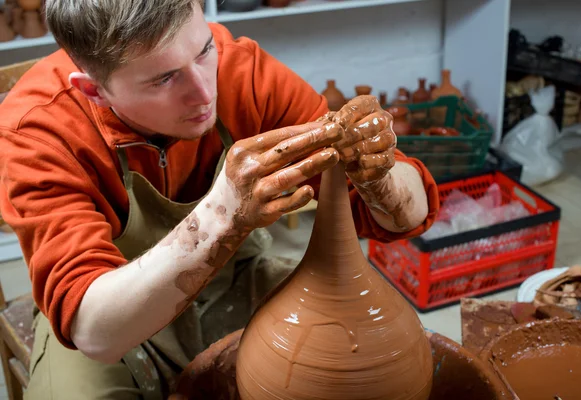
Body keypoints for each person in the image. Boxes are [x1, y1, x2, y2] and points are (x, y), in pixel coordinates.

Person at [0, 0, 439, 398]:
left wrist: (379, 177)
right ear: (94, 89)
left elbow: (405, 217)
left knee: (350, 360)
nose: (204, 93)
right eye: (165, 78)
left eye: (204, 50)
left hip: (236, 281)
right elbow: (94, 331)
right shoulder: (36, 131)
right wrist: (220, 216)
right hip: (118, 316)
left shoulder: (242, 71)